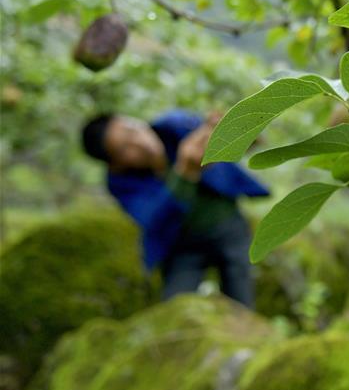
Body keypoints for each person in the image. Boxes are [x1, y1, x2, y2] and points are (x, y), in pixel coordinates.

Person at [81, 109, 269, 308]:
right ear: (116, 165)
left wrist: (239, 128)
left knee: (241, 300)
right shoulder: (121, 183)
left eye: (132, 129)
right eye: (126, 148)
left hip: (228, 228)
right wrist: (185, 173)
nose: (141, 143)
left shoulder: (175, 126)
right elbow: (151, 218)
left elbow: (241, 140)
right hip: (182, 246)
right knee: (175, 306)